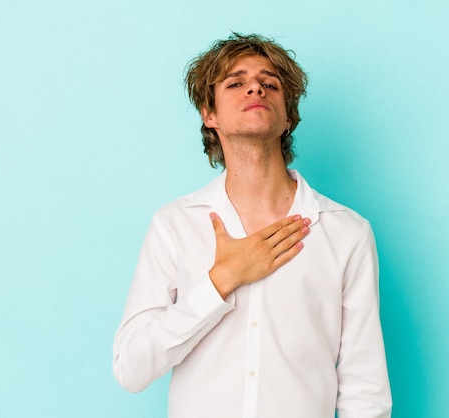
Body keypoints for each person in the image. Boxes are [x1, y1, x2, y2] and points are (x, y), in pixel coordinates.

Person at [113, 33, 392, 418]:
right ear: (208, 114)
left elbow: (366, 388)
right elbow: (131, 368)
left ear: (288, 115)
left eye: (270, 82)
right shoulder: (174, 225)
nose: (255, 87)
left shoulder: (346, 232)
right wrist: (220, 281)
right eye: (235, 82)